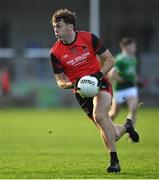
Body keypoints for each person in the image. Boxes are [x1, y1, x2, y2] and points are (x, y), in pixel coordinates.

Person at [50, 9, 139, 173]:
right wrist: (75, 84)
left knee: (100, 116)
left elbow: (110, 60)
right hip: (81, 92)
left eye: (59, 26)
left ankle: (114, 161)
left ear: (70, 26)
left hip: (101, 83)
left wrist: (98, 75)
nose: (56, 30)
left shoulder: (88, 38)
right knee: (111, 132)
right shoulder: (55, 52)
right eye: (54, 27)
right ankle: (127, 126)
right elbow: (60, 81)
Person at [109, 37, 142, 125]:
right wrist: (123, 80)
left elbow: (133, 72)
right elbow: (112, 74)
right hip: (120, 89)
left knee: (133, 110)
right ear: (126, 47)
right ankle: (105, 125)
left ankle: (130, 131)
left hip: (131, 88)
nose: (135, 48)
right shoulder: (120, 59)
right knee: (114, 113)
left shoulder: (133, 58)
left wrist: (137, 80)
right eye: (133, 46)